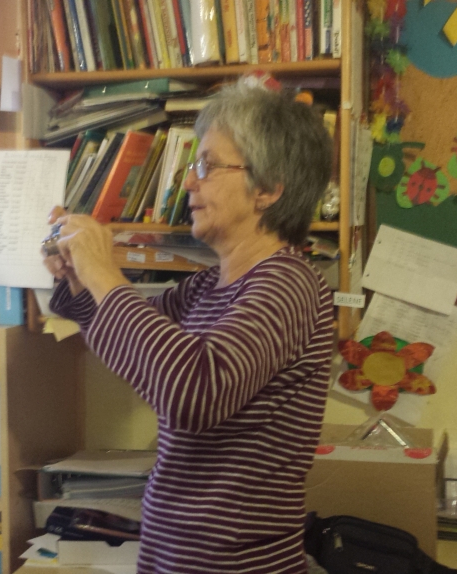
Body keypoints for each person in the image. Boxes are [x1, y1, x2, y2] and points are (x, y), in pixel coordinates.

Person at [45, 81, 334, 573]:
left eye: (207, 166)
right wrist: (80, 277)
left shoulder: (288, 284)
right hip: (174, 556)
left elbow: (193, 393)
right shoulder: (208, 286)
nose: (188, 184)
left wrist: (103, 271)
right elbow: (131, 343)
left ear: (268, 188)